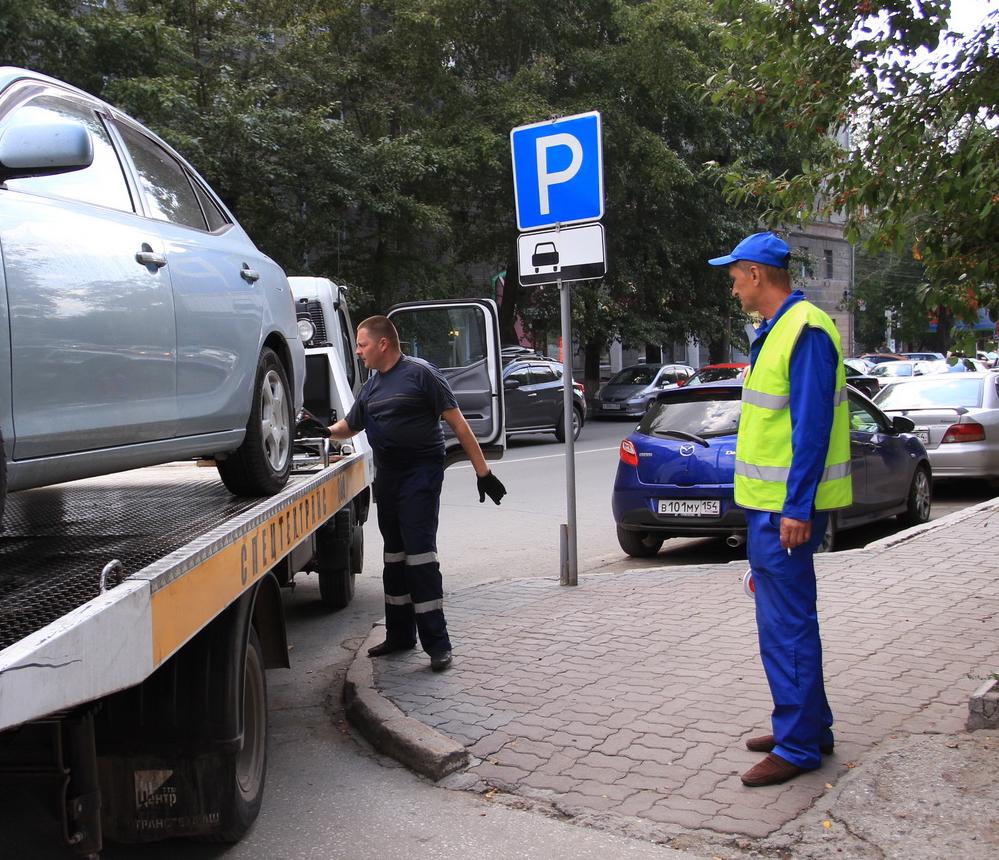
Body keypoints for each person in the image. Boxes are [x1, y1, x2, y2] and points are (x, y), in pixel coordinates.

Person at [708, 232, 852, 787]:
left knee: (786, 628)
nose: (734, 285)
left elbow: (811, 428)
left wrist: (797, 507)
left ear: (758, 274)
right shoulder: (779, 329)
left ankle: (797, 747)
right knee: (783, 624)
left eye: (735, 275)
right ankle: (810, 726)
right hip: (767, 508)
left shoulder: (806, 329)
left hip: (783, 513)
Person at [327, 316, 506, 672]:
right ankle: (400, 635)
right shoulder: (371, 386)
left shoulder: (422, 373)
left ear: (382, 344)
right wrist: (322, 431)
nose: (358, 351)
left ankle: (438, 644)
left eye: (362, 345)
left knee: (419, 557)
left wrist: (482, 472)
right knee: (393, 557)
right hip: (389, 477)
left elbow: (458, 423)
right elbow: (351, 425)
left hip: (421, 474)